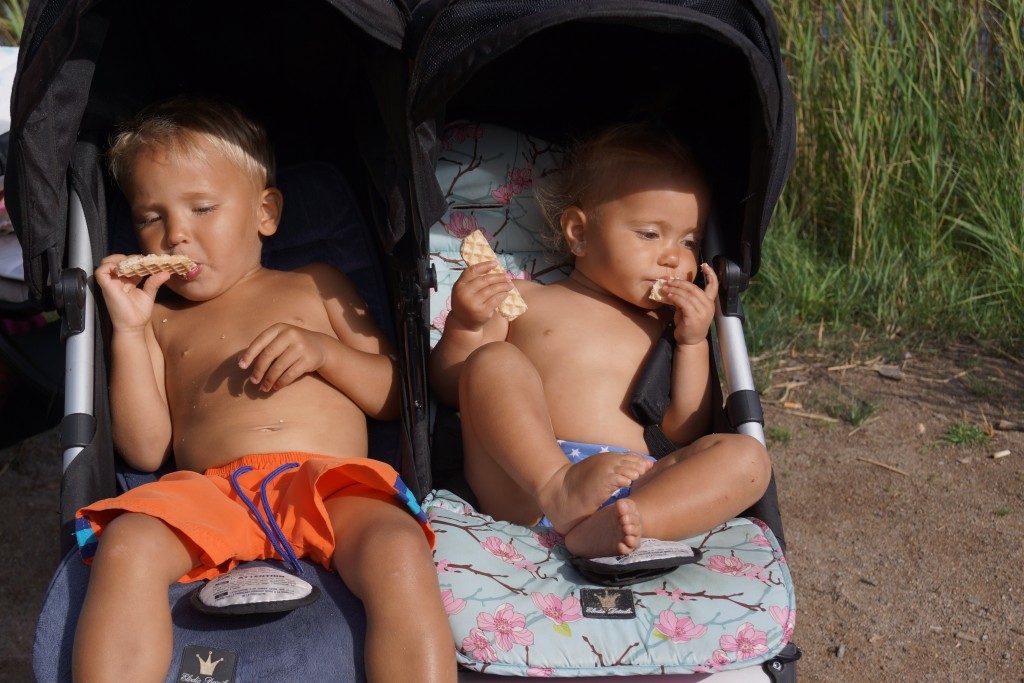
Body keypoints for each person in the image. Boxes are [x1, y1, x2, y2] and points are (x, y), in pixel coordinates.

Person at [73, 97, 455, 683]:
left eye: (202, 208)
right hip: (214, 490)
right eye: (150, 217)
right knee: (128, 543)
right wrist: (126, 330)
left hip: (330, 483)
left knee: (398, 548)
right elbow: (146, 451)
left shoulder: (316, 284)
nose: (175, 234)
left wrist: (326, 353)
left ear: (266, 213)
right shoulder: (159, 318)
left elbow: (392, 398)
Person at [429, 122, 771, 561]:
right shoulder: (523, 300)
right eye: (650, 234)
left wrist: (691, 344)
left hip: (635, 481)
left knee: (749, 458)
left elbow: (682, 432)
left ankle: (634, 522)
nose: (674, 257)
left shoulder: (666, 328)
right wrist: (464, 325)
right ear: (580, 233)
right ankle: (560, 487)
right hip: (526, 484)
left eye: (690, 241)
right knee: (492, 361)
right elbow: (454, 387)